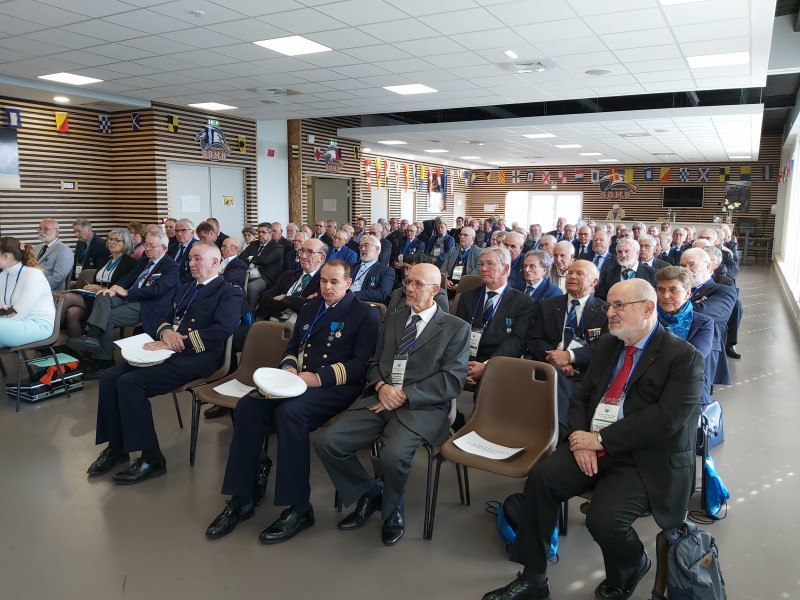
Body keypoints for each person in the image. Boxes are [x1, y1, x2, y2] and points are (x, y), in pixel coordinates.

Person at [483, 279, 704, 600]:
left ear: (648, 308)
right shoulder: (610, 344)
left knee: (604, 520)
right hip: (592, 440)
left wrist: (599, 441)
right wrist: (578, 438)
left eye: (618, 306)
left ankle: (631, 564)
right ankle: (533, 578)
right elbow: (581, 395)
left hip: (644, 457)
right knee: (541, 479)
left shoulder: (683, 357)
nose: (609, 313)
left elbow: (665, 422)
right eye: (609, 305)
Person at [204, 260, 379, 543]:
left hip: (335, 386)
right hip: (296, 381)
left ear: (348, 283)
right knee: (249, 406)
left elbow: (361, 365)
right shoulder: (310, 308)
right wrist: (288, 368)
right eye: (323, 281)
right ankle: (241, 497)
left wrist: (316, 378)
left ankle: (299, 508)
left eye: (335, 282)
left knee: (290, 414)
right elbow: (294, 347)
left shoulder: (363, 314)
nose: (327, 287)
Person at [314, 263, 470, 546]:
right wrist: (382, 386)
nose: (409, 288)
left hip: (421, 406)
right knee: (328, 441)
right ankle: (370, 494)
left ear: (435, 290)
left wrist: (405, 394)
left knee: (393, 456)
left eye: (418, 284)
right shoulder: (394, 319)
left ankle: (392, 509)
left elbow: (451, 382)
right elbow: (373, 364)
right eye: (408, 282)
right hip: (380, 397)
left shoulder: (455, 328)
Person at [86, 242, 244, 484]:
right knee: (109, 377)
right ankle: (117, 447)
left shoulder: (229, 292)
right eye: (190, 258)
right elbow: (164, 318)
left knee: (130, 384)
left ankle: (151, 458)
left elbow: (222, 330)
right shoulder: (186, 288)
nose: (191, 263)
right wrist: (165, 333)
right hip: (167, 351)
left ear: (214, 262)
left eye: (197, 258)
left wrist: (177, 341)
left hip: (200, 357)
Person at [67, 231, 180, 377]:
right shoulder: (144, 260)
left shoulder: (171, 267)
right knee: (104, 295)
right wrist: (114, 288)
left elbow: (157, 291)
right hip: (130, 298)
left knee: (106, 317)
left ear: (163, 248)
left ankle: (104, 362)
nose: (147, 248)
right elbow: (128, 278)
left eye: (152, 246)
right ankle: (93, 338)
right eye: (146, 244)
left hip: (147, 305)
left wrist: (127, 293)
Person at [526, 260, 607, 438]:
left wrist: (570, 356)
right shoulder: (547, 305)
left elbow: (603, 347)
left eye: (579, 274)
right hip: (549, 367)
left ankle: (557, 434)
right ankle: (561, 434)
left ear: (594, 282)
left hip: (583, 372)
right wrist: (556, 360)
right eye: (570, 272)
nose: (572, 276)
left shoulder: (604, 311)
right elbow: (533, 340)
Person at [454, 246, 534, 386]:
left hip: (498, 361)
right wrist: (462, 366)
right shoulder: (467, 297)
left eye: (490, 264)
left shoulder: (523, 302)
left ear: (505, 268)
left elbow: (516, 342)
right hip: (465, 360)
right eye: (482, 264)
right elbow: (457, 335)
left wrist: (487, 366)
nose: (483, 269)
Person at [62, 228, 137, 339]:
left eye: (117, 240)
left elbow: (122, 286)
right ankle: (81, 350)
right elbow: (96, 281)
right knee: (72, 312)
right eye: (110, 239)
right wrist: (90, 286)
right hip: (94, 296)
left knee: (67, 297)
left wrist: (99, 288)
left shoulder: (130, 262)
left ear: (126, 243)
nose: (112, 242)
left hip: (110, 300)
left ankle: (51, 331)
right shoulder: (105, 260)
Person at [655, 266, 714, 405]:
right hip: (649, 386)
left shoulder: (703, 323)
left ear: (688, 293)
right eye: (661, 289)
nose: (665, 296)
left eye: (673, 290)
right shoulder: (647, 318)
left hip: (688, 388)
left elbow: (692, 359)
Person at [0, 237, 55, 348]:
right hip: (11, 323)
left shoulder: (33, 274)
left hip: (38, 325)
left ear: (6, 256)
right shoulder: (3, 275)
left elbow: (19, 312)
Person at [240, 222, 283, 310]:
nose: (260, 234)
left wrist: (252, 258)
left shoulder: (277, 247)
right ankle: (239, 313)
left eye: (263, 232)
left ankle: (249, 315)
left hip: (266, 277)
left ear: (270, 234)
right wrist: (258, 262)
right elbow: (241, 258)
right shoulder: (254, 244)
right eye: (259, 232)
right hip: (249, 273)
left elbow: (266, 260)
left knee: (252, 288)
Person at [349, 235, 395, 303]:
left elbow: (381, 294)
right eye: (360, 247)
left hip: (363, 304)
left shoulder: (386, 271)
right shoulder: (351, 266)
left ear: (377, 249)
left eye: (366, 245)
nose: (362, 249)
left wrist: (353, 294)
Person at [32, 219, 74, 292]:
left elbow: (58, 277)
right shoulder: (35, 248)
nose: (41, 232)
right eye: (40, 228)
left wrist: (38, 288)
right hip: (32, 286)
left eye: (46, 229)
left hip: (50, 291)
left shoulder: (64, 250)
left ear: (56, 231)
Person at [440, 226, 480, 295]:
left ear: (472, 238)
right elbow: (443, 268)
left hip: (467, 285)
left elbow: (476, 272)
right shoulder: (453, 250)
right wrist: (446, 280)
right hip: (450, 283)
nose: (462, 237)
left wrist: (461, 284)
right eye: (461, 234)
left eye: (465, 235)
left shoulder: (478, 252)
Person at [170, 218, 196, 284]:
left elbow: (193, 273)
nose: (179, 234)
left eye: (183, 230)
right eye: (177, 231)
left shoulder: (197, 248)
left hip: (185, 285)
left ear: (192, 232)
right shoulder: (172, 247)